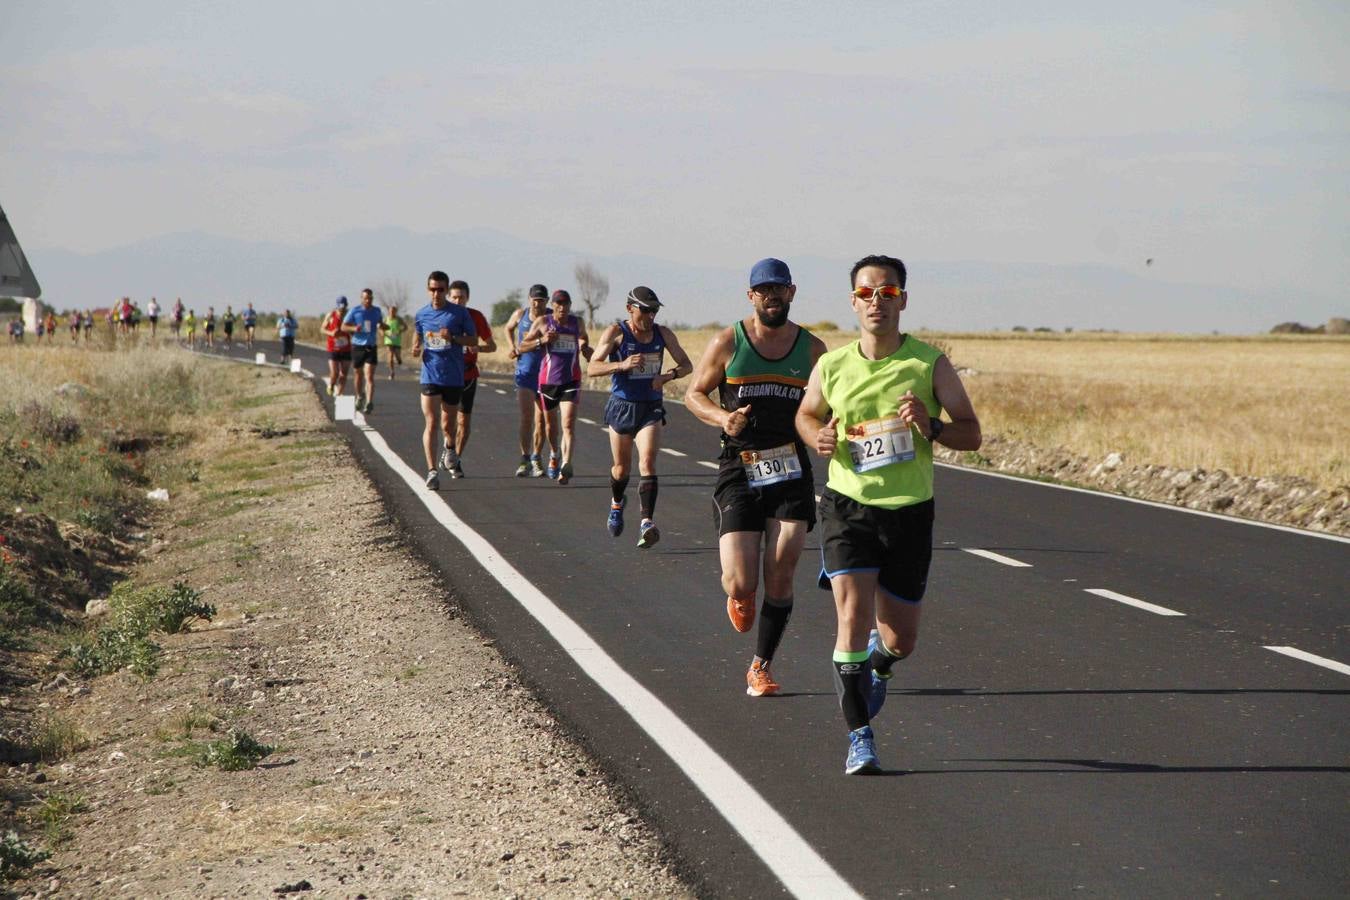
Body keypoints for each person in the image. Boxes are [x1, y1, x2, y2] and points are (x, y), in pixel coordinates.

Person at [795, 254, 981, 775]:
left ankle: (882, 662)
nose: (877, 300)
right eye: (867, 292)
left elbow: (972, 432)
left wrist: (933, 426)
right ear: (853, 301)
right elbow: (807, 415)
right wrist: (818, 436)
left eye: (888, 292)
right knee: (849, 618)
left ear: (903, 299)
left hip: (909, 514)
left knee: (902, 640)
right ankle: (860, 736)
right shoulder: (832, 365)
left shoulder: (928, 365)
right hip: (847, 505)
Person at [685, 258, 827, 697]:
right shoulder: (729, 342)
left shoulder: (812, 350)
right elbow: (693, 393)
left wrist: (832, 429)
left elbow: (832, 404)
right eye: (763, 290)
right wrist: (723, 418)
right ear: (751, 296)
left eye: (779, 289)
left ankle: (760, 666)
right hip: (739, 467)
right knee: (742, 580)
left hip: (789, 467)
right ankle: (740, 595)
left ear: (792, 292)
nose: (772, 296)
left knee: (781, 571)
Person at [587, 286, 692, 549]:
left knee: (648, 462)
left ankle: (647, 522)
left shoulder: (662, 333)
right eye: (646, 310)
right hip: (622, 405)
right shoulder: (615, 333)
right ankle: (616, 503)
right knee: (621, 469)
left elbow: (687, 364)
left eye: (654, 310)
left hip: (650, 406)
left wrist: (668, 376)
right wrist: (621, 365)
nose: (651, 316)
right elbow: (592, 367)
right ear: (630, 309)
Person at [411, 271, 477, 489]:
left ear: (446, 291)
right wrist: (415, 345)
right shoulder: (422, 314)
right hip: (430, 374)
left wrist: (454, 338)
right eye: (432, 289)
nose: (436, 293)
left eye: (440, 289)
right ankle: (431, 471)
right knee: (431, 422)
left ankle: (450, 448)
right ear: (428, 290)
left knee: (448, 425)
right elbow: (418, 333)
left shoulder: (458, 314)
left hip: (453, 377)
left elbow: (473, 340)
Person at [522, 289, 592, 484]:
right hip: (548, 381)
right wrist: (542, 340)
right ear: (553, 306)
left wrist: (585, 347)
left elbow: (584, 337)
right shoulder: (543, 323)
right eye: (558, 304)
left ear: (570, 305)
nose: (562, 308)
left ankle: (566, 464)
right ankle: (554, 454)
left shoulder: (576, 322)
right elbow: (522, 346)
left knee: (568, 423)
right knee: (551, 425)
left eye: (566, 304)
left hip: (572, 380)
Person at [446, 280, 497, 477]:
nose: (458, 301)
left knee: (464, 423)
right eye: (455, 297)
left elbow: (492, 346)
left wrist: (479, 348)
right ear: (449, 297)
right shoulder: (444, 316)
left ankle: (456, 459)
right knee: (447, 419)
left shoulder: (476, 317)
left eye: (462, 297)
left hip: (468, 374)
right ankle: (449, 448)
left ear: (468, 298)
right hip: (447, 374)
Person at [502, 284, 550, 477]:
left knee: (542, 421)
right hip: (525, 373)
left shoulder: (551, 317)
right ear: (529, 299)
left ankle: (537, 458)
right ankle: (524, 458)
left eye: (541, 300)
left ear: (546, 301)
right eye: (534, 299)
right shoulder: (520, 314)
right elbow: (508, 328)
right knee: (527, 417)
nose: (537, 303)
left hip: (546, 375)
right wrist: (512, 346)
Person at [342, 288, 384, 414]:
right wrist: (355, 328)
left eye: (370, 298)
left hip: (371, 346)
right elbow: (343, 326)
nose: (368, 300)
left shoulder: (377, 311)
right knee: (358, 374)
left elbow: (381, 323)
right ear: (361, 299)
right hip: (357, 346)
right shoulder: (355, 311)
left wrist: (382, 326)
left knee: (369, 376)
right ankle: (360, 396)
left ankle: (369, 402)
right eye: (366, 298)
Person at [321, 296, 352, 396]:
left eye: (344, 306)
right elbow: (322, 329)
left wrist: (352, 332)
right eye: (341, 306)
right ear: (337, 306)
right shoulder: (331, 315)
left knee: (344, 373)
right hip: (333, 348)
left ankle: (340, 393)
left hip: (346, 348)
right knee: (335, 373)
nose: (342, 309)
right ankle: (331, 384)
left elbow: (353, 330)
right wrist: (331, 333)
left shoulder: (350, 316)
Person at [381, 304, 406, 380]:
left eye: (393, 311)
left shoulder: (399, 319)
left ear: (396, 312)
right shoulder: (386, 319)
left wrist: (399, 331)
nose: (392, 312)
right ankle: (392, 372)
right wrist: (382, 332)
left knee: (397, 356)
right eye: (391, 311)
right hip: (388, 340)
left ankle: (399, 361)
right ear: (389, 311)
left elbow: (405, 327)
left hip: (396, 340)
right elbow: (380, 328)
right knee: (390, 356)